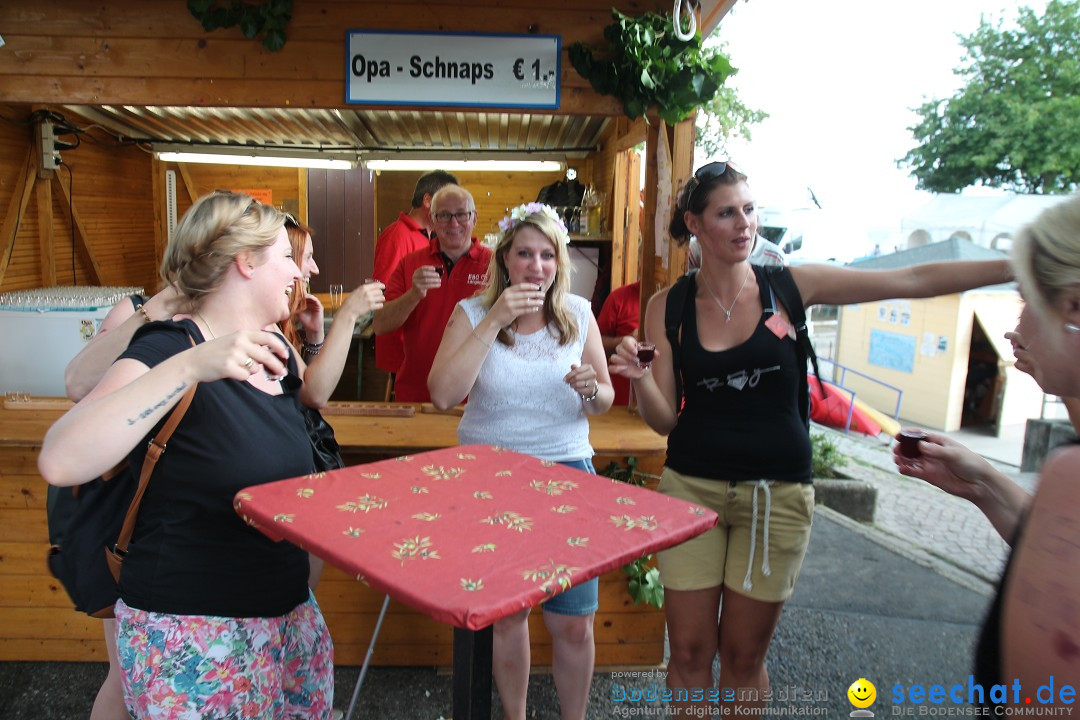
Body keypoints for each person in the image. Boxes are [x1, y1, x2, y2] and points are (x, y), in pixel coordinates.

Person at [607, 161, 1013, 716]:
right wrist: (637, 382)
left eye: (750, 210)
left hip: (778, 497)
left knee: (743, 658)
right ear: (694, 224)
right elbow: (664, 421)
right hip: (691, 491)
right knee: (690, 653)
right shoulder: (667, 307)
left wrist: (1020, 266)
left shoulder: (791, 287)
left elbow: (911, 281)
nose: (744, 224)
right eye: (727, 212)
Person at [39, 191, 333, 719]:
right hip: (197, 643)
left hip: (286, 628)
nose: (298, 270)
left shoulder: (275, 352)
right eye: (286, 257)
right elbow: (62, 458)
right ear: (245, 261)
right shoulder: (169, 348)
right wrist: (189, 367)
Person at [428, 202, 614, 720]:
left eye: (547, 255)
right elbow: (443, 394)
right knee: (508, 620)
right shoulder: (471, 313)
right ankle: (516, 716)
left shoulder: (577, 312)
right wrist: (495, 318)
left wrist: (591, 388)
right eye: (525, 254)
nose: (536, 266)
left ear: (559, 263)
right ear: (504, 259)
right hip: (489, 480)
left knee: (573, 622)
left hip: (568, 474)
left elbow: (603, 400)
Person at [893, 195, 1080, 696]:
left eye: (1026, 299)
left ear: (1074, 306)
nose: (1015, 329)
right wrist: (984, 484)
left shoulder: (1069, 474)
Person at [373, 184, 492, 403]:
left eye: (461, 215)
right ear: (433, 219)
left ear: (474, 218)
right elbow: (380, 324)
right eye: (444, 215)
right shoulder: (410, 263)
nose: (453, 223)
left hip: (479, 399)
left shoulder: (494, 265)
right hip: (417, 395)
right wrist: (413, 295)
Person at [372, 170, 459, 378]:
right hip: (402, 349)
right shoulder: (397, 236)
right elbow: (383, 295)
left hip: (423, 346)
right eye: (446, 202)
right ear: (428, 200)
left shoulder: (429, 238)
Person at [597, 281, 640, 405]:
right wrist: (625, 340)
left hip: (674, 409)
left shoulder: (683, 300)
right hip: (620, 405)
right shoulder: (618, 297)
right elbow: (595, 344)